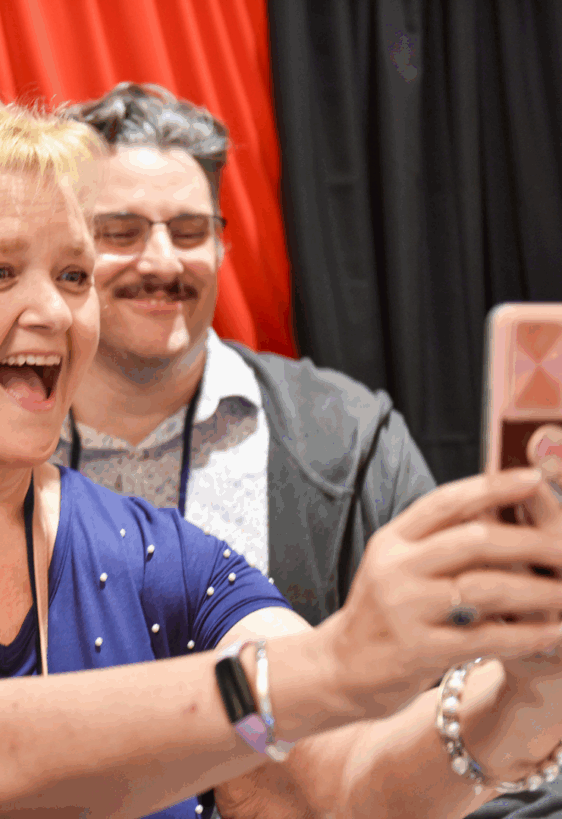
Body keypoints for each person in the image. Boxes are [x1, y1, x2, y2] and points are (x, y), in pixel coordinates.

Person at [0, 93, 562, 819]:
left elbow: (336, 785)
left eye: (74, 274)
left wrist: (518, 698)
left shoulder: (164, 558)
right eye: (0, 272)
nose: (57, 310)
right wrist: (337, 666)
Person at [57, 82, 562, 816]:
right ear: (67, 251)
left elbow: (462, 699)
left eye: (191, 230)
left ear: (224, 243)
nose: (162, 260)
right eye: (123, 231)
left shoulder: (350, 438)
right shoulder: (3, 447)